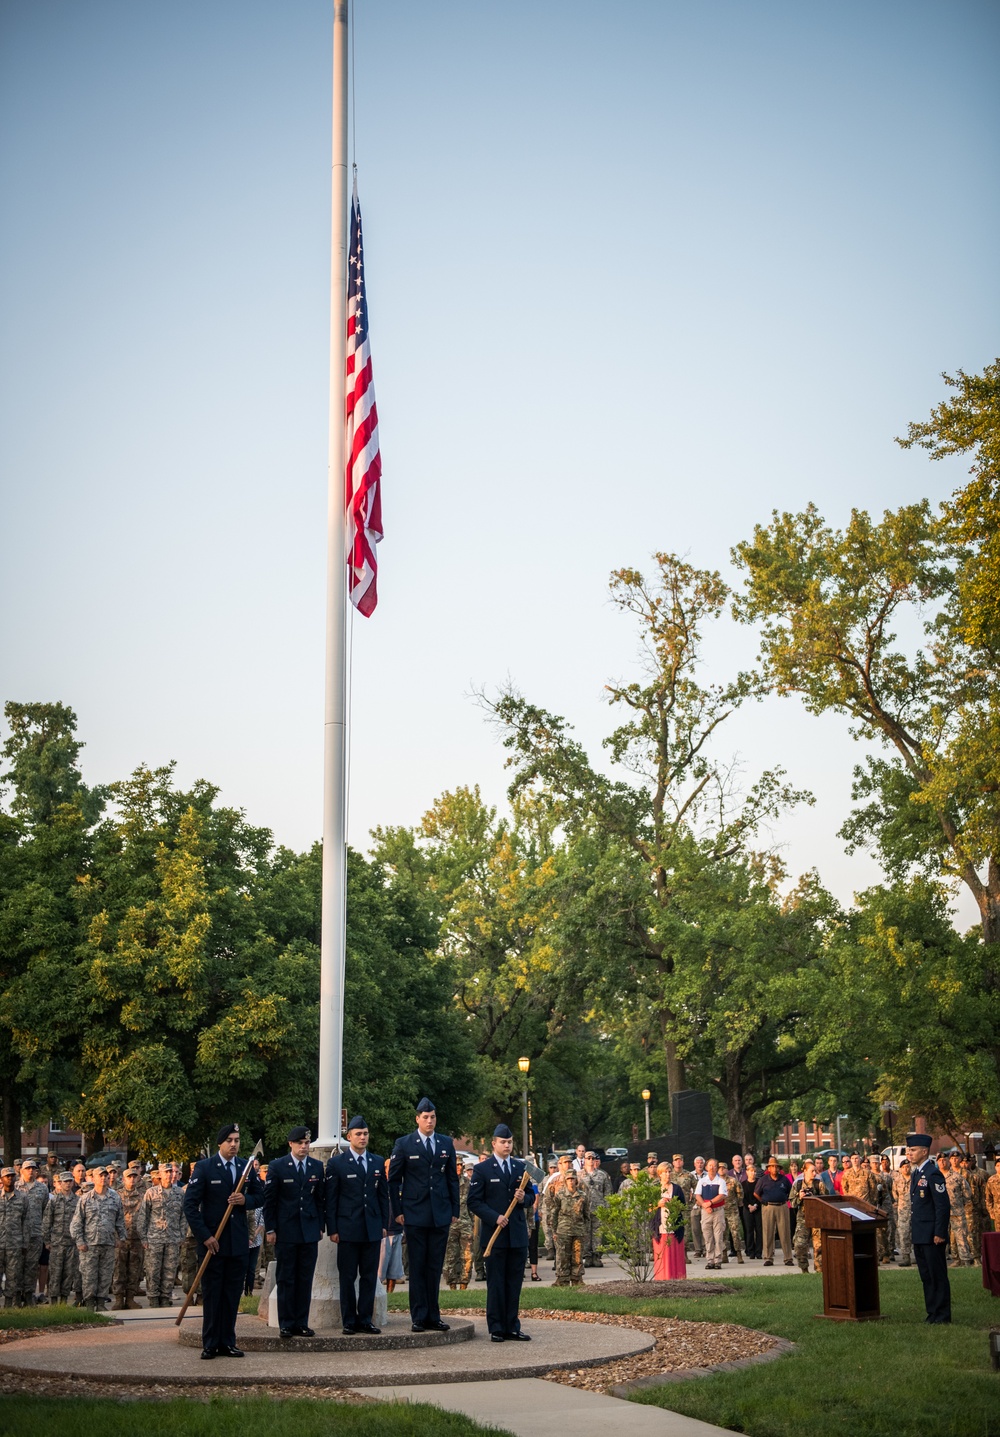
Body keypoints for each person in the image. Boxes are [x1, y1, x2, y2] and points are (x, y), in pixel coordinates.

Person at [183, 1122, 264, 1360]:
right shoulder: (205, 1168)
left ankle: (228, 1341)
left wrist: (245, 1200)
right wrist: (205, 1236)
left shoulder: (245, 1168)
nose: (234, 1144)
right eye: (229, 1140)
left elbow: (260, 1196)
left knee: (231, 1295)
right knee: (212, 1294)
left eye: (237, 1140)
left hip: (238, 1243)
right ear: (220, 1142)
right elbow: (190, 1205)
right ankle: (210, 1343)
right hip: (213, 1243)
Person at [387, 1098, 460, 1334]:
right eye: (425, 1117)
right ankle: (418, 1316)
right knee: (418, 1266)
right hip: (415, 1213)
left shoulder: (445, 1143)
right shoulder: (405, 1143)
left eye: (433, 1117)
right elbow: (394, 1180)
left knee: (434, 1266)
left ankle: (433, 1316)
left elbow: (451, 1178)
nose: (430, 1121)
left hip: (440, 1214)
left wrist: (454, 1211)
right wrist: (398, 1211)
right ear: (417, 1119)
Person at [326, 1115, 390, 1335]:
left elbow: (383, 1195)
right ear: (349, 1136)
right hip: (347, 1229)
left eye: (365, 1134)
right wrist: (332, 1228)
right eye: (358, 1134)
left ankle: (365, 1319)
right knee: (347, 1277)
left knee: (369, 1276)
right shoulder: (337, 1163)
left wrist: (384, 1223)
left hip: (371, 1228)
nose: (363, 1137)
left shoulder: (376, 1161)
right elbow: (331, 1198)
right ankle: (349, 1321)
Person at [467, 1123, 530, 1341]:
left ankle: (512, 1325)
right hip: (495, 1236)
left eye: (510, 1142)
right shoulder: (482, 1169)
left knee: (514, 1283)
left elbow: (531, 1197)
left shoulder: (521, 1168)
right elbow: (474, 1201)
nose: (507, 1145)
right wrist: (495, 1217)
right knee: (496, 1283)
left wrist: (524, 1199)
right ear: (494, 1144)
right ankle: (496, 1328)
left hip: (517, 1236)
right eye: (503, 1142)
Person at [264, 1125, 326, 1339]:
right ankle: (286, 1323)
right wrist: (271, 1228)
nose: (304, 1147)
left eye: (307, 1143)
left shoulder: (317, 1167)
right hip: (286, 1231)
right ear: (291, 1144)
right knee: (286, 1278)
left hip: (308, 1231)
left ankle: (302, 1322)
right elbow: (270, 1201)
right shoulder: (278, 1166)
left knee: (305, 1279)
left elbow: (319, 1199)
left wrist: (320, 1226)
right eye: (300, 1143)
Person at [907, 1132, 951, 1324]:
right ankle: (932, 1313)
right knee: (926, 1276)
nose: (909, 1153)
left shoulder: (933, 1174)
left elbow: (942, 1205)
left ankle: (942, 1315)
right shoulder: (917, 1173)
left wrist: (940, 1232)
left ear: (924, 1152)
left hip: (932, 1235)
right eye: (909, 1150)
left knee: (937, 1275)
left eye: (913, 1150)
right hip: (920, 1234)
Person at [70, 1165, 126, 1311]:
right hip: (90, 1244)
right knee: (89, 1276)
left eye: (105, 1175)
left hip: (108, 1243)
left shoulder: (114, 1197)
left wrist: (121, 1237)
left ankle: (101, 1302)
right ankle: (89, 1303)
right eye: (100, 1175)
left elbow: (119, 1220)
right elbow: (76, 1222)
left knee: (105, 1275)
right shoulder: (85, 1198)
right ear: (93, 1178)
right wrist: (80, 1241)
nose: (103, 1178)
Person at [139, 1163, 185, 1307]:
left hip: (173, 1238)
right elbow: (143, 1216)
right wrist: (143, 1237)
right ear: (160, 1174)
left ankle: (165, 1297)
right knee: (153, 1270)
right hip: (154, 1238)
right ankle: (153, 1298)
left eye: (172, 1172)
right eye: (167, 1172)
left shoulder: (179, 1193)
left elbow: (183, 1216)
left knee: (170, 1270)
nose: (170, 1175)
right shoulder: (151, 1192)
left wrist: (181, 1235)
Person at [42, 1169, 78, 1304]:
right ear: (60, 1183)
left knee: (68, 1274)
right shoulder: (54, 1200)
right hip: (56, 1243)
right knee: (55, 1273)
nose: (68, 1184)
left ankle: (64, 1300)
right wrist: (47, 1241)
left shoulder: (78, 1201)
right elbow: (46, 1221)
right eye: (65, 1182)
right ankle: (53, 1301)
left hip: (72, 1243)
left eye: (70, 1181)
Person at [112, 1167, 145, 1309]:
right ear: (124, 1179)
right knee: (119, 1270)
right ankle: (119, 1299)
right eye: (129, 1177)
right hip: (121, 1239)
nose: (132, 1179)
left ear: (138, 1178)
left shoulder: (143, 1196)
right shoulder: (115, 1195)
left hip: (137, 1238)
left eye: (134, 1177)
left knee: (134, 1270)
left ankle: (130, 1298)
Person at [549, 1168, 589, 1287]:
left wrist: (585, 1230)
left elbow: (586, 1215)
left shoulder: (582, 1196)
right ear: (565, 1181)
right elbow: (554, 1213)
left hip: (578, 1230)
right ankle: (562, 1279)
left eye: (573, 1179)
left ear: (576, 1181)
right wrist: (554, 1231)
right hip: (563, 1230)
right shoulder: (560, 1195)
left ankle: (577, 1278)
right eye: (569, 1179)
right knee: (562, 1256)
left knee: (577, 1256)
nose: (571, 1181)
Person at [754, 1157, 793, 1266]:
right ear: (769, 1168)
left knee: (785, 1232)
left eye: (776, 1166)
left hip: (782, 1206)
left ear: (779, 1168)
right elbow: (756, 1193)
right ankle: (768, 1258)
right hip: (768, 1207)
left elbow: (791, 1192)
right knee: (768, 1232)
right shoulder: (763, 1180)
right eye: (772, 1167)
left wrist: (786, 1199)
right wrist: (762, 1201)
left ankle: (788, 1258)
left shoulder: (784, 1179)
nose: (774, 1169)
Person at [444, 1156, 475, 1290]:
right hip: (449, 1223)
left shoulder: (467, 1183)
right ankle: (452, 1284)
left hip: (465, 1223)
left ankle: (464, 1283)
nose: (459, 1167)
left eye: (460, 1165)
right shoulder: (445, 1182)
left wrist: (473, 1222)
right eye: (456, 1165)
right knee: (450, 1255)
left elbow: (472, 1204)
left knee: (467, 1255)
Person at [0, 1167, 30, 1307]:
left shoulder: (23, 1198)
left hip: (14, 1244)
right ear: (1, 1179)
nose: (9, 1178)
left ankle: (8, 1305)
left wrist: (24, 1243)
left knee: (12, 1277)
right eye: (6, 1176)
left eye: (12, 1176)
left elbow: (25, 1222)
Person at [653, 1162, 686, 1280]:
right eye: (664, 1172)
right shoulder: (655, 1189)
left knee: (675, 1255)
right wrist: (658, 1204)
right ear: (659, 1174)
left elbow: (683, 1206)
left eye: (669, 1171)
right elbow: (647, 1207)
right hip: (660, 1227)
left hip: (675, 1227)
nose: (667, 1174)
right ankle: (662, 1278)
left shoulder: (677, 1188)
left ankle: (678, 1278)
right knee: (662, 1255)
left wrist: (673, 1204)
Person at [790, 1159, 824, 1273]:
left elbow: (828, 1201)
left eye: (815, 1171)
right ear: (804, 1171)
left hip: (818, 1218)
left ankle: (820, 1270)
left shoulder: (819, 1184)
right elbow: (792, 1203)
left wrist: (816, 1198)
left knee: (819, 1247)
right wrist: (800, 1197)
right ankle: (804, 1269)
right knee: (799, 1244)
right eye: (812, 1171)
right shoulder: (798, 1184)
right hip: (803, 1218)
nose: (815, 1173)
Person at [580, 1151, 612, 1267]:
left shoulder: (602, 1175)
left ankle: (597, 1256)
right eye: (588, 1158)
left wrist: (607, 1208)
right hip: (585, 1209)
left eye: (593, 1158)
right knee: (586, 1233)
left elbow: (608, 1193)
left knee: (598, 1234)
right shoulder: (579, 1175)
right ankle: (587, 1257)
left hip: (599, 1209)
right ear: (584, 1160)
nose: (591, 1160)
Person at [694, 1159, 728, 1269]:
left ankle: (718, 1260)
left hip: (718, 1211)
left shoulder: (721, 1181)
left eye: (714, 1166)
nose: (712, 1167)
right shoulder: (702, 1181)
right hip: (706, 1212)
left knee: (718, 1237)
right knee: (707, 1236)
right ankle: (710, 1260)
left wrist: (710, 1203)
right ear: (706, 1167)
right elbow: (697, 1195)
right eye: (710, 1165)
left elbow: (722, 1195)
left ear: (717, 1168)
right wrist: (704, 1205)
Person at [944, 1153, 973, 1267]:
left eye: (944, 1160)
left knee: (961, 1236)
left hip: (957, 1211)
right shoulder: (936, 1176)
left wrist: (961, 1204)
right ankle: (955, 1258)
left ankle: (965, 1259)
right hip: (942, 1212)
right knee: (948, 1237)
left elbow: (967, 1193)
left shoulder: (958, 1176)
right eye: (940, 1160)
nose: (942, 1162)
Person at [718, 1162, 745, 1264]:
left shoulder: (733, 1181)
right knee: (722, 1234)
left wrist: (737, 1203)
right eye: (719, 1168)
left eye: (723, 1168)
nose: (721, 1170)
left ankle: (739, 1253)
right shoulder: (716, 1181)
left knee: (735, 1233)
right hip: (720, 1211)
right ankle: (724, 1253)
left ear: (726, 1169)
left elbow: (740, 1193)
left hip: (732, 1211)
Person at [894, 1159, 913, 1265]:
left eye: (908, 1166)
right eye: (904, 1167)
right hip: (902, 1211)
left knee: (917, 1233)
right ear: (900, 1169)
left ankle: (918, 1256)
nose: (906, 1168)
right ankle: (906, 1257)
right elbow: (895, 1194)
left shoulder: (915, 1178)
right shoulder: (897, 1180)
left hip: (915, 1210)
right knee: (903, 1234)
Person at [741, 1162, 761, 1258]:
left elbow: (761, 1195)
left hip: (758, 1208)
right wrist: (749, 1206)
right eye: (751, 1171)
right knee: (749, 1230)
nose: (753, 1173)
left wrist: (756, 1205)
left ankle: (758, 1252)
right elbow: (742, 1197)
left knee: (759, 1230)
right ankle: (750, 1251)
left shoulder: (759, 1182)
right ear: (747, 1172)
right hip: (747, 1208)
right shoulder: (743, 1184)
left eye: (754, 1171)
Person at [986, 1156, 1000, 1233]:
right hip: (997, 1211)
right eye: (998, 1166)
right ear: (995, 1167)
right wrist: (991, 1211)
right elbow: (988, 1198)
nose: (999, 1167)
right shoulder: (991, 1180)